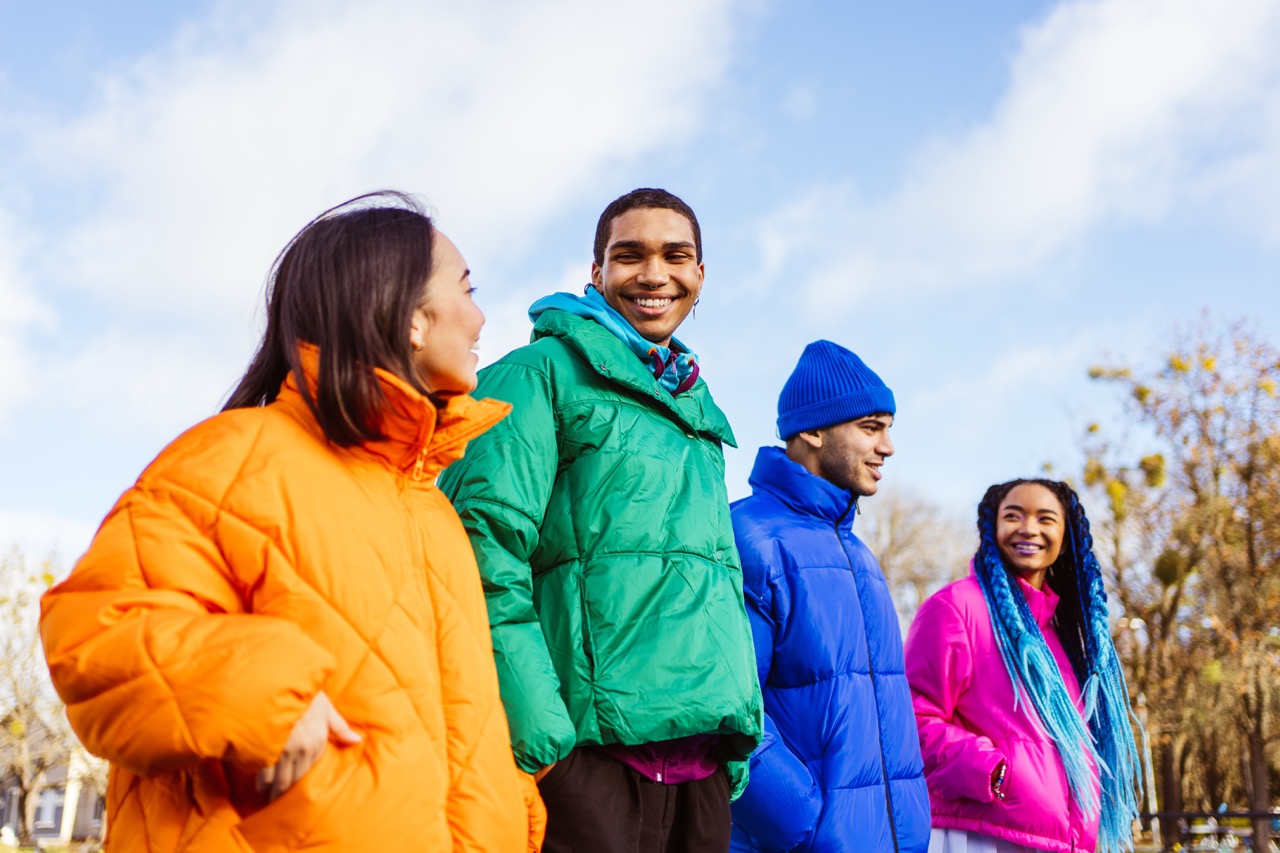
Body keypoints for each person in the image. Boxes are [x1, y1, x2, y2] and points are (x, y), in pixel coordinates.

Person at [39, 192, 544, 852]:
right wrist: (259, 691)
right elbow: (95, 630)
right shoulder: (236, 455)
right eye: (466, 287)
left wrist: (514, 807)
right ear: (413, 318)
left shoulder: (434, 510)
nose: (480, 315)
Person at [439, 187, 763, 853]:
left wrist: (738, 736)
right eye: (629, 255)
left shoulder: (697, 411)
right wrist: (545, 738)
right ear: (597, 273)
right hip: (590, 766)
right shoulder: (538, 375)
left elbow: (715, 582)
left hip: (699, 773)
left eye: (676, 256)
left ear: (700, 276)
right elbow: (479, 551)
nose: (654, 274)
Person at [728, 340, 931, 853]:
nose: (888, 446)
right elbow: (730, 713)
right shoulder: (747, 538)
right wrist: (805, 827)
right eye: (870, 427)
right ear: (813, 431)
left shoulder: (862, 557)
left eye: (889, 428)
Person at [904, 479, 1142, 853]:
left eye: (1045, 518)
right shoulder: (956, 607)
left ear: (1066, 535)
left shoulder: (1065, 635)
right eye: (1013, 516)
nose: (1028, 528)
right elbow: (912, 719)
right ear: (992, 528)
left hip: (1059, 840)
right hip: (981, 834)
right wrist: (992, 771)